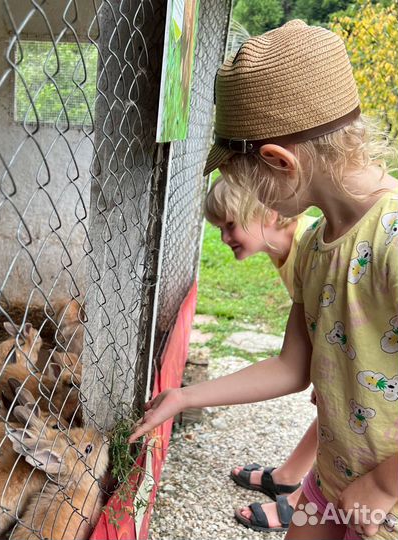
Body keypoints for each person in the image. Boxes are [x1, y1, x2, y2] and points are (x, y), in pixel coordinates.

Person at [130, 20, 398, 540]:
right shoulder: (318, 244)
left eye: (245, 180)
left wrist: (387, 484)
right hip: (331, 482)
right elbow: (291, 367)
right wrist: (185, 397)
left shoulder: (392, 237)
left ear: (280, 161)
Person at [204, 176, 318, 533]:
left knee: (343, 419)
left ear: (269, 212)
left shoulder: (309, 246)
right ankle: (287, 477)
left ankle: (304, 502)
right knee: (332, 412)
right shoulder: (285, 249)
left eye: (230, 225)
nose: (223, 237)